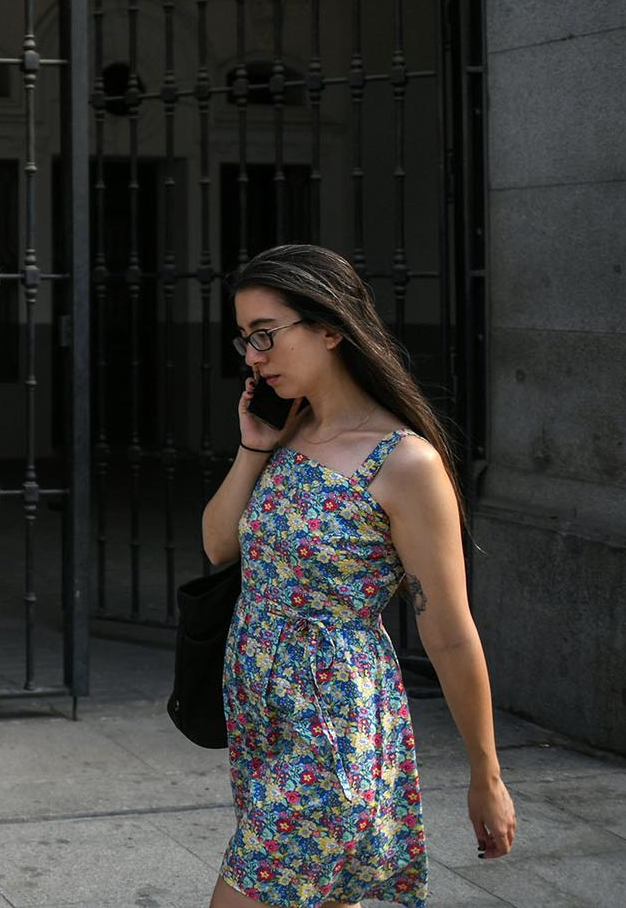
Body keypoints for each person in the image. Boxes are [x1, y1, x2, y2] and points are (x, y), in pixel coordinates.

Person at [202, 244, 517, 908]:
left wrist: (485, 774)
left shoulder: (405, 463)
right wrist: (253, 448)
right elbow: (219, 546)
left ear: (330, 328)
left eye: (265, 334)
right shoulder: (290, 430)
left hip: (332, 724)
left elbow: (450, 632)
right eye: (245, 339)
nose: (253, 356)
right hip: (264, 716)